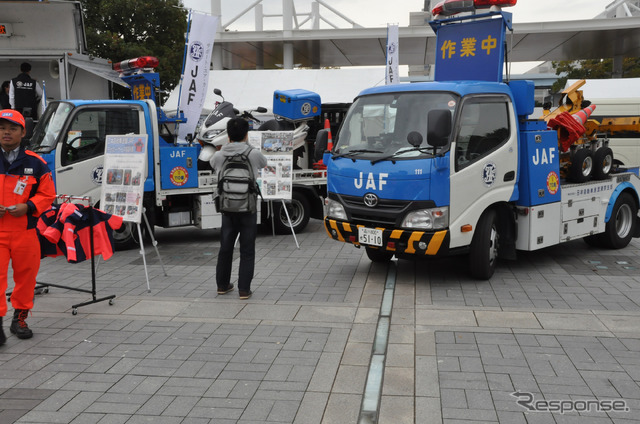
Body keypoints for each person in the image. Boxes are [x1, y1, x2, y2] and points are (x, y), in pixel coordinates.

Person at [0, 110, 56, 344]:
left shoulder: (36, 163)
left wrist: (30, 207)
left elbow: (48, 194)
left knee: (26, 277)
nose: (6, 132)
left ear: (23, 132)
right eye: (2, 127)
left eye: (12, 128)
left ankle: (19, 319)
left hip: (25, 231)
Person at [210, 118, 266, 299]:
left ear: (227, 135)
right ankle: (244, 289)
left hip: (227, 208)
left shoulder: (219, 155)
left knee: (225, 247)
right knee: (247, 249)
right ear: (246, 133)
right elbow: (263, 163)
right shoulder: (253, 154)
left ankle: (222, 285)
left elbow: (212, 165)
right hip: (248, 207)